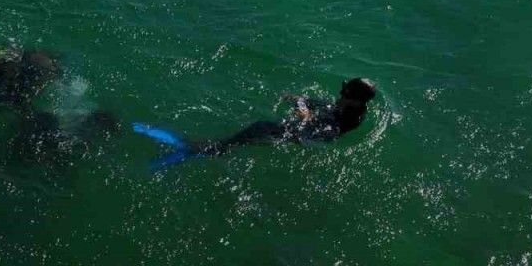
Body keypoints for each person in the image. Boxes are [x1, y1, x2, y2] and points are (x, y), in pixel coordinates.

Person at [133, 78, 377, 168]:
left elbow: (326, 133)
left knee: (259, 129)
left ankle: (200, 150)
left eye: (345, 92)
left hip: (307, 137)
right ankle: (209, 148)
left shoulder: (350, 118)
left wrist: (306, 117)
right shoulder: (347, 105)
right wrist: (300, 101)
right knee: (259, 127)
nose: (340, 93)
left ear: (355, 100)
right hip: (309, 127)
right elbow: (318, 106)